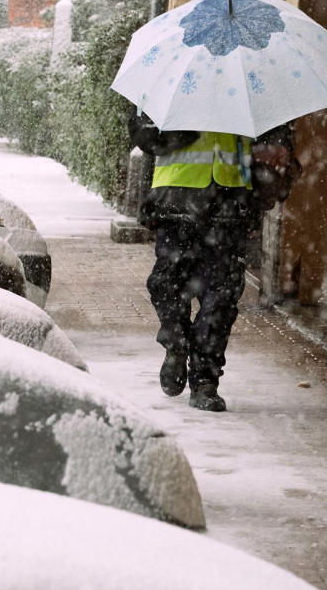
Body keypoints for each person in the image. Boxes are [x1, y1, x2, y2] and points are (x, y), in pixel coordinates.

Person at [128, 116, 300, 411]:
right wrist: (188, 126)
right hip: (176, 205)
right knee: (165, 285)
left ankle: (205, 382)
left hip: (228, 210)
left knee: (220, 301)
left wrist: (270, 165)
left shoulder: (248, 90)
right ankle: (176, 342)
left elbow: (277, 148)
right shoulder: (178, 81)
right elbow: (145, 138)